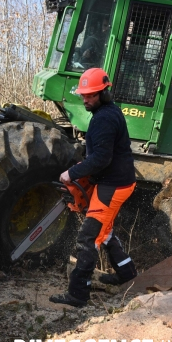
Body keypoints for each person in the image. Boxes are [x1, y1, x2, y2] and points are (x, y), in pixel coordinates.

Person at [50, 67, 137, 308]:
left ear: (104, 93)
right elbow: (99, 156)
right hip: (116, 181)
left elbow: (101, 159)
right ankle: (126, 274)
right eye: (84, 95)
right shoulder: (108, 113)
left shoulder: (105, 118)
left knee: (88, 238)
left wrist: (72, 173)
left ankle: (78, 294)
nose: (86, 99)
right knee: (105, 231)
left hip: (113, 185)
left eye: (91, 95)